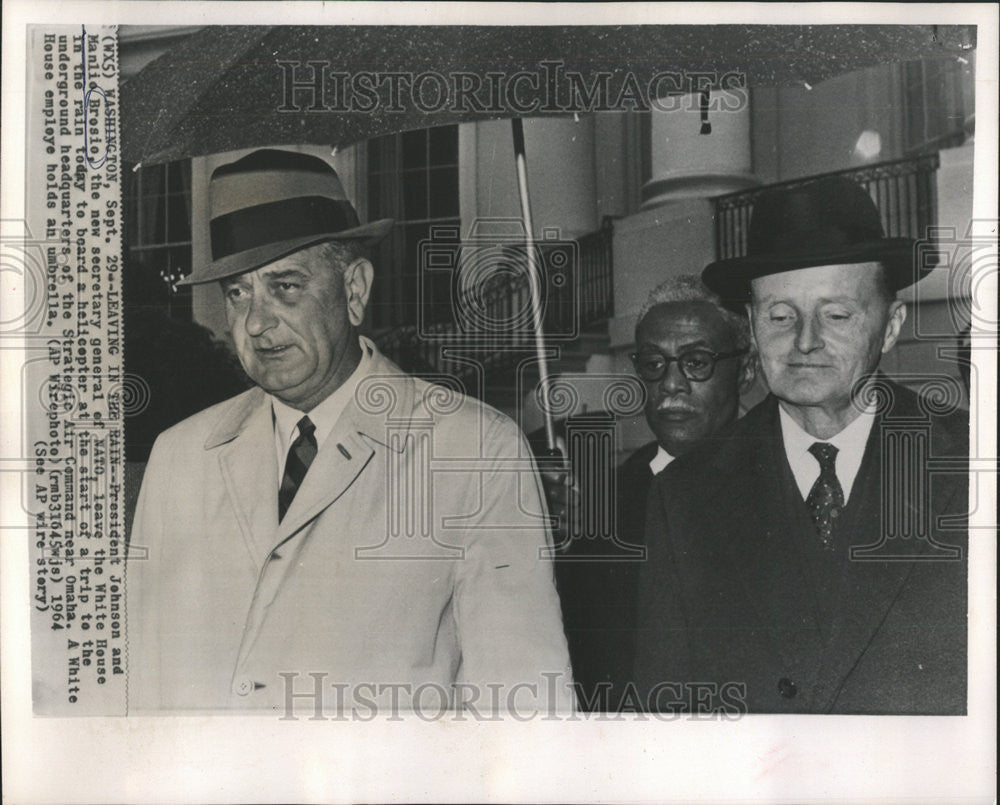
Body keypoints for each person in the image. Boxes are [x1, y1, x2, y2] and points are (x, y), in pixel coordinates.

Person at [127, 149, 574, 714]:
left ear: (355, 289)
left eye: (285, 286)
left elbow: (524, 709)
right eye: (238, 293)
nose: (256, 322)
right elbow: (140, 694)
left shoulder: (475, 450)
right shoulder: (180, 456)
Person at [633, 176, 968, 715]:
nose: (805, 340)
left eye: (836, 315)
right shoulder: (685, 495)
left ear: (890, 327)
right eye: (781, 316)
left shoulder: (971, 464)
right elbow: (666, 720)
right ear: (751, 325)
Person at [552, 276, 756, 709]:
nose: (671, 384)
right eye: (653, 365)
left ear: (747, 370)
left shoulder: (785, 472)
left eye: (697, 362)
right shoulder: (612, 493)